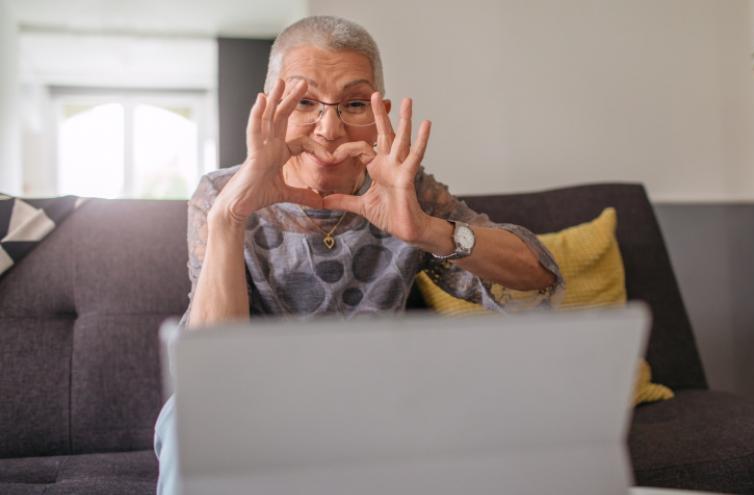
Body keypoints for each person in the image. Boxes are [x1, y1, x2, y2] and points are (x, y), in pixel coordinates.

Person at [153, 15, 563, 495]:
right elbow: (210, 376)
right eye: (305, 102)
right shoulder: (221, 193)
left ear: (378, 112)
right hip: (253, 409)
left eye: (351, 104)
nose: (329, 129)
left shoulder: (407, 192)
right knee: (188, 416)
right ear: (269, 110)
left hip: (374, 410)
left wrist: (430, 230)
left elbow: (537, 281)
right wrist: (229, 217)